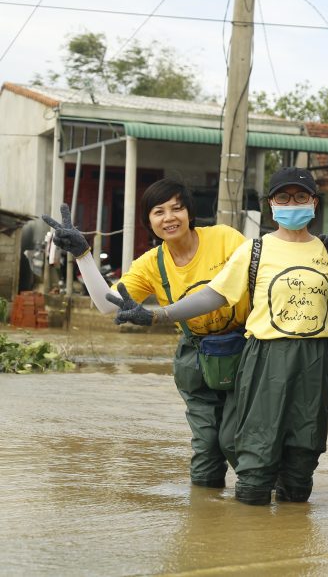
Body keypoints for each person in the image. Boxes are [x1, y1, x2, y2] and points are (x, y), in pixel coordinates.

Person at [107, 167, 328, 506]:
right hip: (264, 357)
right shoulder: (254, 250)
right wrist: (156, 315)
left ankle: (293, 542)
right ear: (270, 205)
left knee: (303, 454)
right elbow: (215, 295)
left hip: (317, 363)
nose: (292, 203)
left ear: (314, 202)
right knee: (251, 448)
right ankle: (238, 533)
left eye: (301, 197)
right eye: (283, 197)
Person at [43, 179, 248, 489]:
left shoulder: (226, 239)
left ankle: (263, 501)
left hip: (244, 348)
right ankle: (205, 519)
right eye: (159, 212)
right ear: (148, 222)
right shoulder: (151, 264)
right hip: (196, 357)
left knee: (236, 439)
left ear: (190, 213)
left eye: (177, 208)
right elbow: (106, 304)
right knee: (206, 447)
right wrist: (83, 254)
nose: (169, 218)